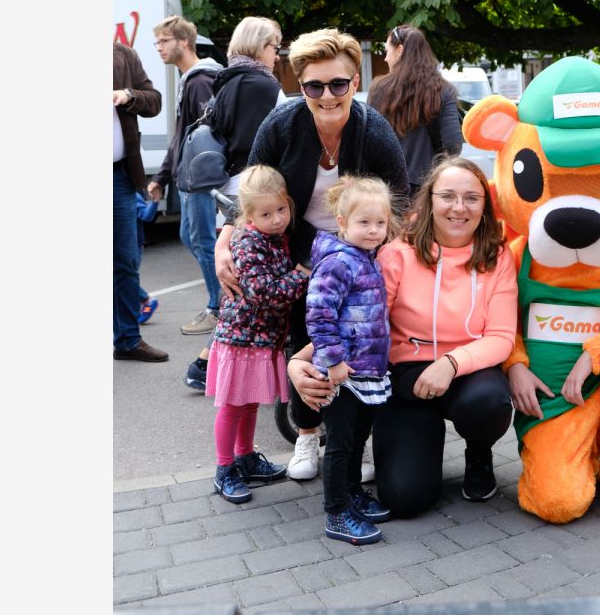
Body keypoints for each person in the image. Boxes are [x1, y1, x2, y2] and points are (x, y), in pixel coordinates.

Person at [216, 28, 409, 482]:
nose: (327, 96)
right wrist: (225, 239)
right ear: (300, 86)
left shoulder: (373, 130)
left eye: (338, 83)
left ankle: (355, 440)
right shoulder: (282, 125)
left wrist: (389, 261)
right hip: (299, 253)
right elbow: (250, 188)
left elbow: (400, 200)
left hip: (361, 253)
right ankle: (306, 433)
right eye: (314, 86)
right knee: (305, 338)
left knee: (359, 343)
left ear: (355, 82)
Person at [290, 156, 517, 517]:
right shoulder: (398, 253)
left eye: (471, 198)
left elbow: (502, 337)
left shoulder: (497, 255)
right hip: (405, 376)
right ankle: (419, 447)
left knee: (489, 403)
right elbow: (362, 321)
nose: (459, 207)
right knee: (404, 498)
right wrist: (299, 361)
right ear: (430, 200)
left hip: (468, 372)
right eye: (448, 196)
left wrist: (451, 363)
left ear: (484, 205)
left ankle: (478, 454)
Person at [184, 16, 287, 392]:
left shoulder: (227, 80)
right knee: (254, 288)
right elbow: (270, 142)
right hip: (256, 191)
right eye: (274, 46)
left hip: (230, 189)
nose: (277, 55)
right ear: (259, 46)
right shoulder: (262, 84)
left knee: (242, 282)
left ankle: (209, 364)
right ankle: (208, 364)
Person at [207, 165, 311, 504]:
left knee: (248, 403)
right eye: (266, 214)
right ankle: (224, 468)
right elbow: (264, 294)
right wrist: (301, 275)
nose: (277, 219)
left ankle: (246, 457)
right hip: (242, 340)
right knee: (233, 406)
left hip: (259, 339)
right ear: (248, 215)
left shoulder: (273, 237)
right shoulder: (250, 243)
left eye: (281, 209)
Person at [305, 177, 396, 545]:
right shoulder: (339, 263)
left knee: (358, 439)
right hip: (342, 373)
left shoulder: (367, 259)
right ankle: (337, 511)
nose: (373, 230)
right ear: (342, 223)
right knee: (340, 444)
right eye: (364, 222)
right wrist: (333, 361)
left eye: (380, 223)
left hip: (366, 369)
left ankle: (353, 492)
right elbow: (319, 313)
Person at [146, 16, 225, 336]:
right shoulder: (188, 80)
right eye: (157, 42)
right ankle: (225, 300)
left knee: (203, 242)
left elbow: (207, 135)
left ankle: (220, 309)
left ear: (184, 42)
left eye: (164, 41)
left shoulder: (200, 81)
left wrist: (197, 176)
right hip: (187, 178)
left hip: (198, 179)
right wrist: (162, 177)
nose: (159, 47)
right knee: (190, 238)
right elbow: (181, 137)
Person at [113, 42, 168, 362]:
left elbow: (154, 101)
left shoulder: (122, 55)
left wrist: (128, 95)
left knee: (125, 262)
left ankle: (128, 341)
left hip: (119, 176)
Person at [367, 24, 463, 195]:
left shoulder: (378, 89)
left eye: (386, 51)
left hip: (387, 189)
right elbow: (452, 145)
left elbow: (370, 140)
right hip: (429, 189)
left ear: (399, 50)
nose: (385, 58)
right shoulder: (444, 90)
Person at [135, 192, 160, 323]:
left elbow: (146, 216)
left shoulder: (132, 195)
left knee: (123, 278)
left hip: (132, 246)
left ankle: (147, 300)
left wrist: (155, 201)